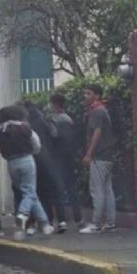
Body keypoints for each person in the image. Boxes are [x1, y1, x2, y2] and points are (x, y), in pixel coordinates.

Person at [0, 105, 54, 236]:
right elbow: (37, 144)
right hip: (26, 160)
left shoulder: (0, 131)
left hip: (11, 163)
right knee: (29, 192)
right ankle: (23, 213)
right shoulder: (25, 128)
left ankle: (45, 223)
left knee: (29, 192)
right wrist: (34, 152)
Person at [79, 84, 117, 234]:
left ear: (97, 95)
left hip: (99, 156)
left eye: (88, 93)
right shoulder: (103, 110)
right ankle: (110, 222)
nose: (85, 96)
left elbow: (97, 133)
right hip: (108, 156)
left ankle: (96, 224)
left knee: (97, 190)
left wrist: (89, 154)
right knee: (108, 190)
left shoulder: (97, 112)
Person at [24, 101, 62, 235]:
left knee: (31, 192)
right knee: (46, 192)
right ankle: (49, 220)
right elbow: (54, 136)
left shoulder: (26, 125)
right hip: (46, 159)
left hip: (31, 159)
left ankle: (31, 223)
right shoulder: (45, 121)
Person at [46, 93, 82, 231]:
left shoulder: (51, 119)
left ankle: (62, 221)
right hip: (69, 157)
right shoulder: (69, 119)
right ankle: (78, 217)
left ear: (54, 104)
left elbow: (53, 135)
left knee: (58, 189)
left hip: (56, 157)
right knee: (72, 189)